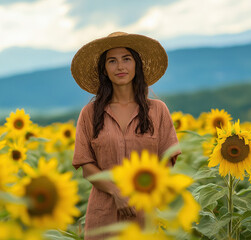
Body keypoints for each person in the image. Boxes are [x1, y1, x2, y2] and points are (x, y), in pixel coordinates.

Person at [70, 32, 181, 239]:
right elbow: (86, 166)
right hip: (103, 215)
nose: (120, 67)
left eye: (126, 59)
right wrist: (116, 192)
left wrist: (141, 192)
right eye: (112, 61)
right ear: (104, 69)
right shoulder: (90, 113)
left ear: (136, 65)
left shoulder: (158, 110)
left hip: (145, 212)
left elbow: (167, 161)